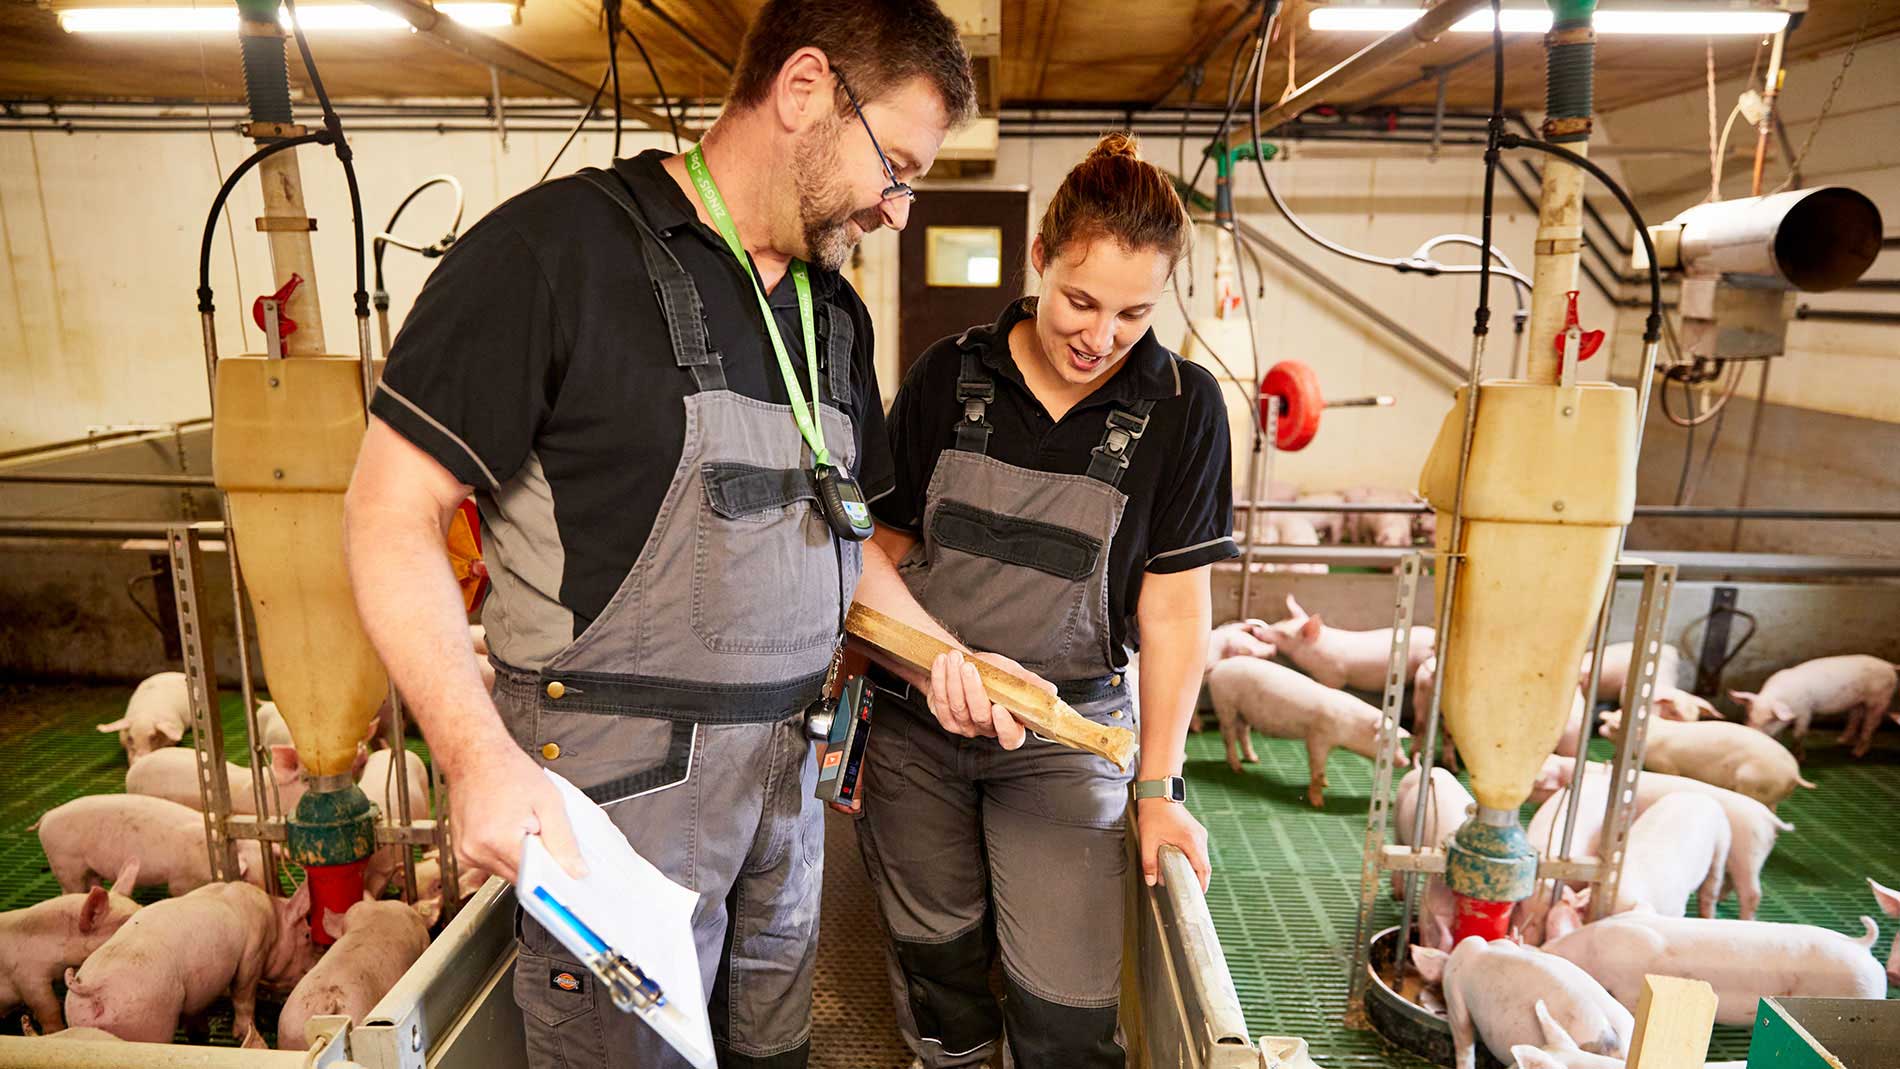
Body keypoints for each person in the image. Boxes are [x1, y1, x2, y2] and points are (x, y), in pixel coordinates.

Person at [342, 4, 1041, 1066]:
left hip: (783, 795)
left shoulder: (832, 316)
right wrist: (474, 755)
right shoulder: (548, 255)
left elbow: (839, 546)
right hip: (615, 809)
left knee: (772, 1050)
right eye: (894, 167)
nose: (898, 211)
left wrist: (947, 656)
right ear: (803, 91)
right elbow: (389, 512)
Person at [855, 132, 1234, 1069]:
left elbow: (1175, 613)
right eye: (1081, 300)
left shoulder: (1185, 407)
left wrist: (1159, 786)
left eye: (1134, 313)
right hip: (916, 725)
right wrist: (897, 675)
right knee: (938, 966)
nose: (1100, 338)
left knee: (1065, 1008)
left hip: (1067, 738)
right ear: (1040, 260)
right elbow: (876, 554)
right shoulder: (949, 375)